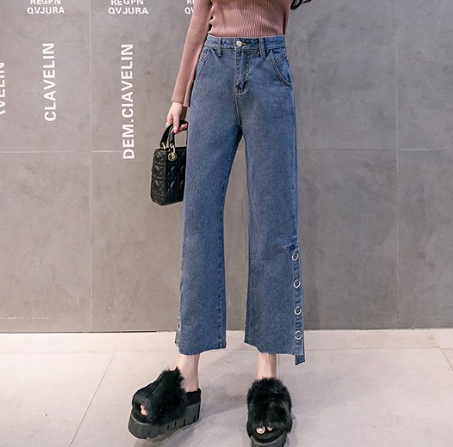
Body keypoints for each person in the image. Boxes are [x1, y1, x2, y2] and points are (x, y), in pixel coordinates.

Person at [128, 1, 312, 445]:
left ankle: (267, 378)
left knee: (273, 225)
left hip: (269, 65)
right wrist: (180, 95)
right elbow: (201, 12)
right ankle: (185, 375)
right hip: (212, 69)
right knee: (199, 224)